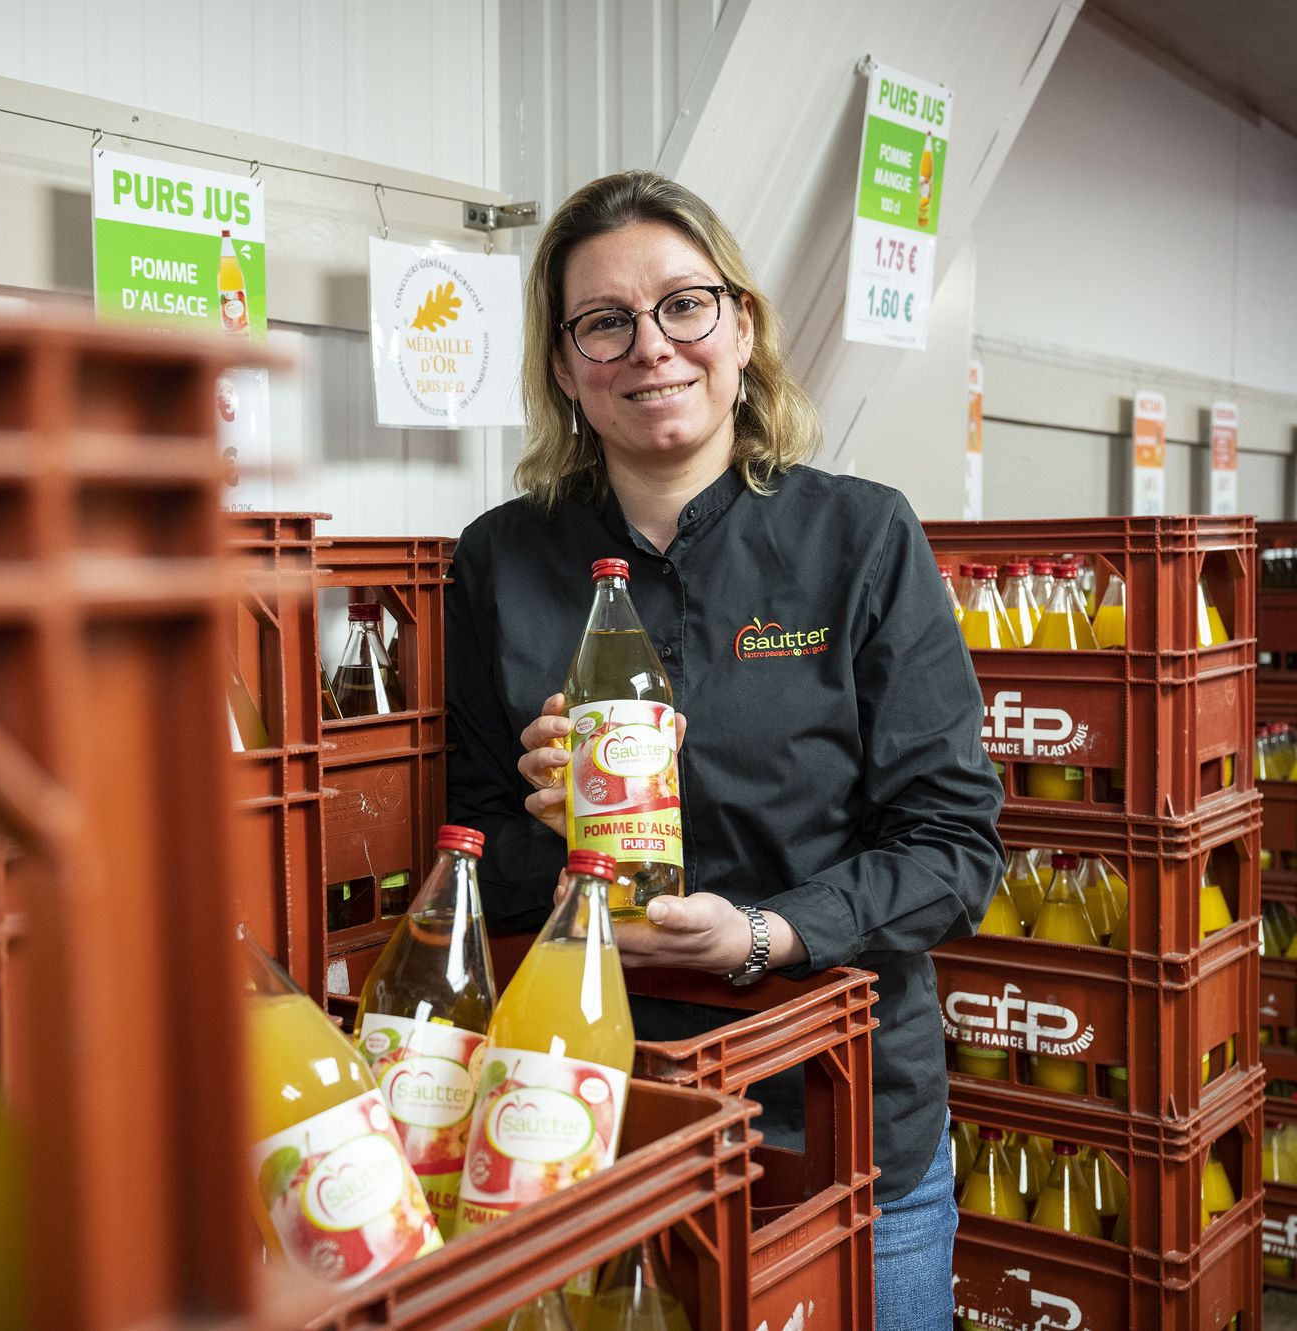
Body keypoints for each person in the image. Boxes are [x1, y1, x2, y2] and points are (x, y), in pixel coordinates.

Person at [444, 170, 1003, 1331]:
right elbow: (458, 847)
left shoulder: (858, 537)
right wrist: (554, 837)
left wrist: (764, 931)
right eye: (603, 321)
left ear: (740, 327)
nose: (649, 347)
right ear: (562, 364)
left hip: (840, 1120)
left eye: (684, 306)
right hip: (592, 1106)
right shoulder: (500, 560)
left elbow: (953, 846)